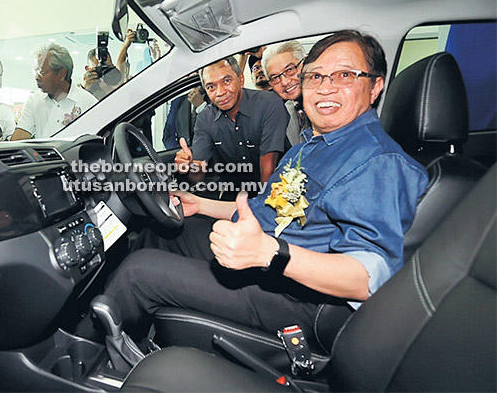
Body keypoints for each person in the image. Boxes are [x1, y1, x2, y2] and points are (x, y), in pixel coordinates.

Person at [95, 30, 429, 344]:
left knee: (138, 273)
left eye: (344, 75)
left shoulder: (379, 161)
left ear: (374, 87)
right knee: (163, 233)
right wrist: (200, 204)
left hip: (294, 296)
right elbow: (267, 208)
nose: (325, 88)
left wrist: (269, 252)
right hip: (266, 260)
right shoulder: (312, 146)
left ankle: (91, 356)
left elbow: (370, 279)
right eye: (314, 76)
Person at [175, 56, 287, 192]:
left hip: (277, 193)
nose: (220, 92)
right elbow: (197, 175)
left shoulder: (268, 103)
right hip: (233, 195)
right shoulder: (205, 118)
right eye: (211, 87)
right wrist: (187, 166)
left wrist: (259, 210)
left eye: (226, 81)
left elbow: (268, 170)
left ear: (241, 80)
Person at [11, 43, 97, 140]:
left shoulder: (89, 103)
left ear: (62, 74)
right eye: (36, 71)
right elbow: (17, 140)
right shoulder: (34, 101)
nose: (37, 77)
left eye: (42, 72)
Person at [262, 41, 311, 147]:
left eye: (289, 70)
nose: (284, 82)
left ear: (307, 63)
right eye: (275, 78)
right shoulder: (282, 116)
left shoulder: (332, 101)